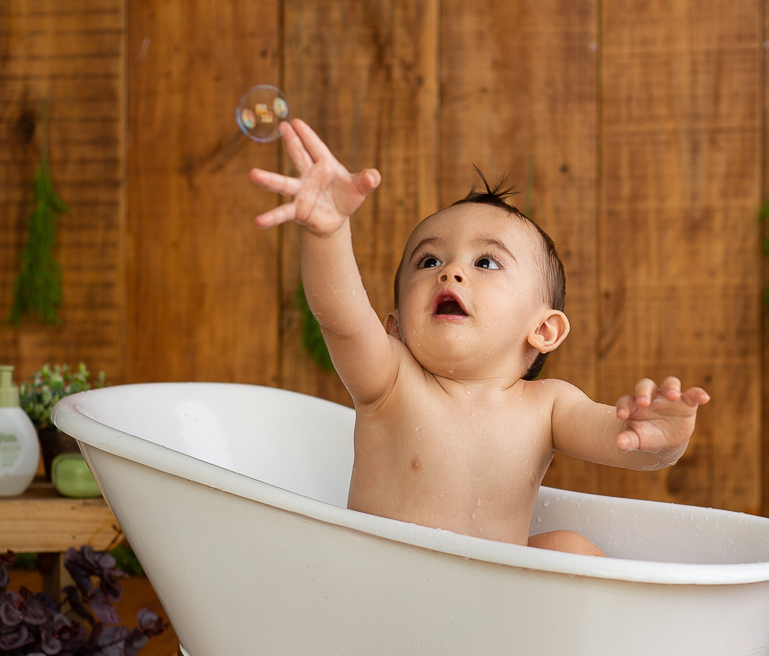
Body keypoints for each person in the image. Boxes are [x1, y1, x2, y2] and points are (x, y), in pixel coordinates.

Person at [250, 118, 709, 557]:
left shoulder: (549, 407)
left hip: (493, 598)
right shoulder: (391, 382)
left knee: (570, 548)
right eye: (428, 261)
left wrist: (660, 438)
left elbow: (624, 445)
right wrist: (328, 232)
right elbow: (342, 319)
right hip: (388, 591)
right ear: (395, 327)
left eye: (486, 262)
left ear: (543, 330)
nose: (450, 271)